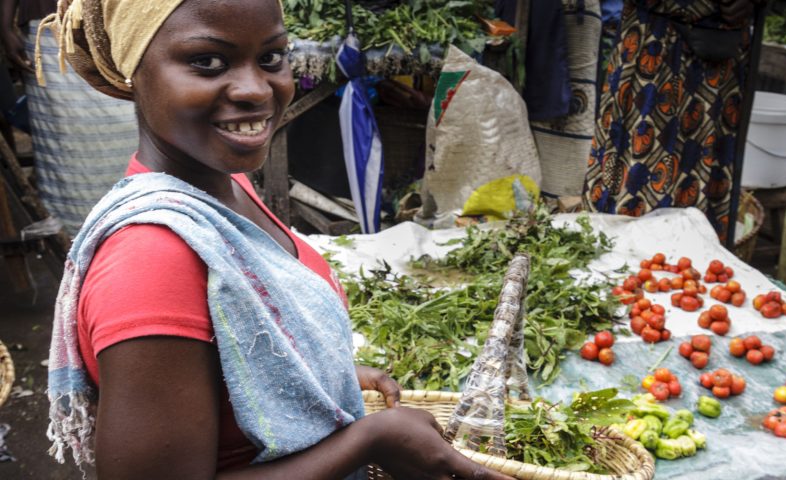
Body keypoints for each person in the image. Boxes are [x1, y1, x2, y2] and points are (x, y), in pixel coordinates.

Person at [42, 1, 514, 479]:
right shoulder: (152, 261)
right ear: (133, 71)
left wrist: (312, 378)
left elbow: (224, 361)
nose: (255, 88)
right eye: (207, 61)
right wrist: (370, 438)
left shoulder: (225, 187)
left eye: (271, 57)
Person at [582, 0, 762, 242]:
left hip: (721, 58)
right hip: (652, 44)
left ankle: (692, 267)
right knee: (637, 171)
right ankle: (621, 263)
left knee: (704, 174)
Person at [1, 0, 138, 235]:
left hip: (123, 20)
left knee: (130, 123)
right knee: (66, 137)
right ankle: (72, 237)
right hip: (52, 25)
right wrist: (4, 27)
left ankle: (135, 223)